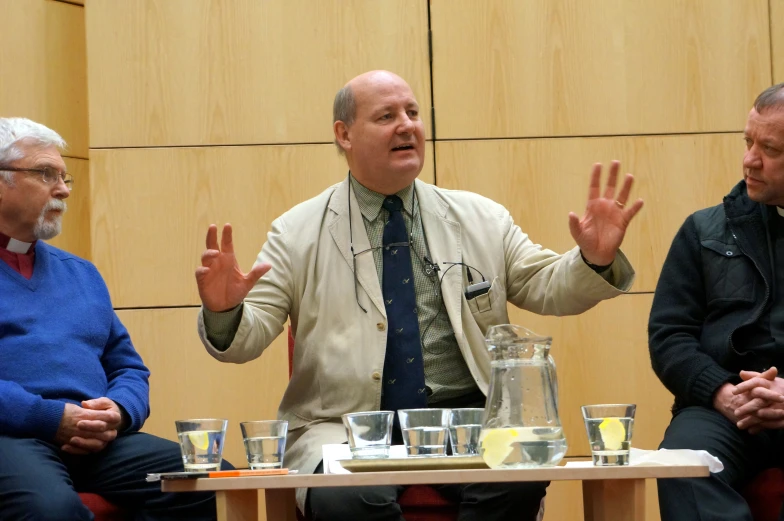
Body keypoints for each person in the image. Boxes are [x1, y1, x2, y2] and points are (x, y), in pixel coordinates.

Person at [196, 70, 643, 520]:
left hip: (470, 423)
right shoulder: (297, 232)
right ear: (344, 134)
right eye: (386, 116)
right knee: (350, 498)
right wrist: (224, 309)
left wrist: (593, 260)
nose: (407, 125)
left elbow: (549, 285)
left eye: (412, 113)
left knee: (516, 483)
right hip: (345, 426)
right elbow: (245, 339)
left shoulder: (480, 217)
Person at [0, 117, 225, 520]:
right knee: (50, 510)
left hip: (98, 441)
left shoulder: (82, 273)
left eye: (64, 176)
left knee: (215, 481)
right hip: (11, 436)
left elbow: (129, 367)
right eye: (46, 174)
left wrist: (118, 412)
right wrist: (52, 418)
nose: (64, 190)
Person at [649, 82, 784, 520]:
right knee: (682, 464)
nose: (749, 159)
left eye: (769, 149)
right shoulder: (703, 230)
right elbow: (669, 337)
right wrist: (721, 392)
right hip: (723, 407)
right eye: (748, 142)